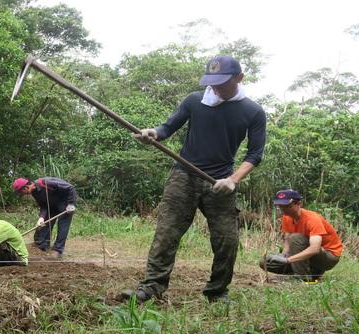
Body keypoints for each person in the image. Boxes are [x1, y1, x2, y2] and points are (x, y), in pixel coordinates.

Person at [122, 56, 267, 303]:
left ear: (239, 78)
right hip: (183, 176)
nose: (216, 88)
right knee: (166, 233)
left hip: (220, 182)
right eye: (212, 82)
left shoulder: (253, 112)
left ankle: (217, 291)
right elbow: (168, 127)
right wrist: (154, 133)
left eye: (222, 82)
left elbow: (255, 154)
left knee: (227, 240)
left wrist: (233, 179)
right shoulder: (194, 100)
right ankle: (152, 286)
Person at [260, 189, 343, 281]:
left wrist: (288, 260)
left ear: (299, 204)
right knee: (265, 262)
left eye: (286, 206)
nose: (283, 209)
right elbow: (287, 238)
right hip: (307, 256)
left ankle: (303, 278)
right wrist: (284, 255)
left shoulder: (312, 219)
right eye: (280, 206)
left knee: (296, 238)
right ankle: (312, 272)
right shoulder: (287, 217)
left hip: (328, 257)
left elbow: (314, 249)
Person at [12, 177, 77, 258]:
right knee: (45, 223)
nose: (22, 194)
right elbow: (43, 205)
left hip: (65, 203)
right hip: (51, 205)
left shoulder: (46, 182)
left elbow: (70, 187)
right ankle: (43, 246)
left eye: (21, 192)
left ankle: (58, 250)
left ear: (26, 187)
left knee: (63, 226)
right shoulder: (34, 192)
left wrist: (71, 203)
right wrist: (41, 218)